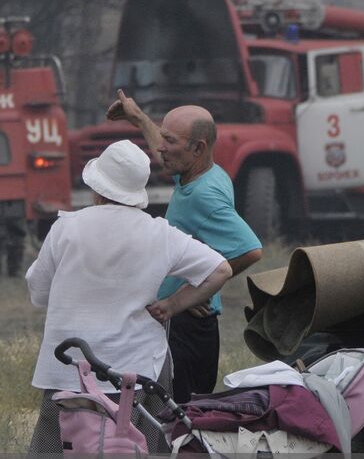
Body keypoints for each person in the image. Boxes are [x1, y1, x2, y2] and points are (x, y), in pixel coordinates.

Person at [5, 139, 230, 459]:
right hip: (139, 377)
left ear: (96, 186)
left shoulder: (66, 228)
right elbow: (220, 269)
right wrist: (172, 305)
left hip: (69, 372)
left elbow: (38, 292)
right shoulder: (161, 233)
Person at [106, 90, 263, 403]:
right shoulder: (199, 175)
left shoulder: (204, 197)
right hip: (183, 324)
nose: (161, 148)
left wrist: (191, 293)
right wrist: (137, 118)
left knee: (180, 420)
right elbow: (163, 147)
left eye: (171, 142)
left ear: (198, 148)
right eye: (163, 137)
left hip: (188, 328)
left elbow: (251, 250)